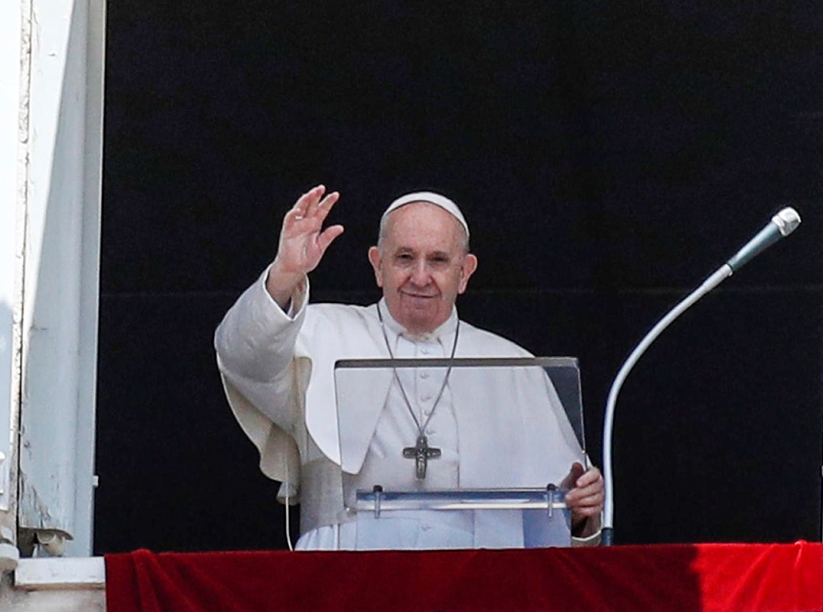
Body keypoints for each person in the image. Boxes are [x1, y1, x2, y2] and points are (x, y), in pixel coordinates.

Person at [215, 186, 606, 549]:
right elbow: (242, 356)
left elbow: (562, 520)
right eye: (404, 257)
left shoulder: (516, 367)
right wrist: (285, 274)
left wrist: (579, 513)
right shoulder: (317, 331)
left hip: (478, 579)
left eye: (438, 260)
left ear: (465, 272)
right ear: (377, 265)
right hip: (345, 573)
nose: (420, 277)